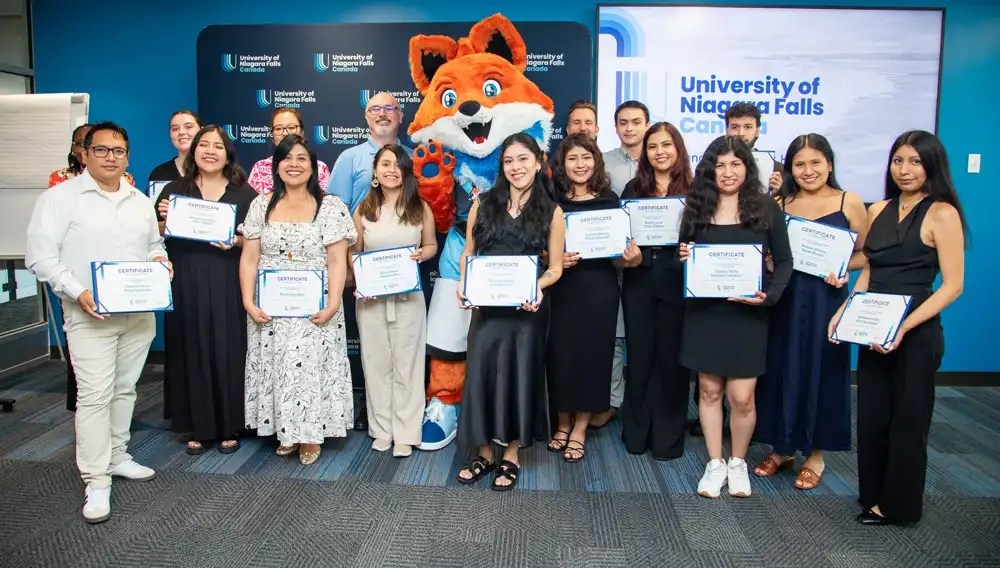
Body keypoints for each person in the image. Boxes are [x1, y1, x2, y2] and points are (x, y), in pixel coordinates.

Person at [26, 121, 169, 523]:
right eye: (102, 150)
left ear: (127, 155)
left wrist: (161, 265)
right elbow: (40, 257)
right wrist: (78, 291)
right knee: (94, 395)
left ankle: (119, 455)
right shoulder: (60, 199)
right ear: (83, 153)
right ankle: (96, 479)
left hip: (138, 314)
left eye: (118, 151)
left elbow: (154, 246)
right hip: (89, 314)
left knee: (125, 390)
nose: (111, 157)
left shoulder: (139, 200)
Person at [828, 130, 966, 526]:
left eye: (915, 162)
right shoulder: (879, 210)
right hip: (874, 327)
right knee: (873, 417)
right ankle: (873, 496)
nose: (905, 170)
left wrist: (903, 327)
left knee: (908, 420)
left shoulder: (942, 213)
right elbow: (870, 268)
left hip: (916, 330)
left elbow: (953, 285)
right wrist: (847, 312)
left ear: (932, 166)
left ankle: (900, 506)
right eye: (898, 161)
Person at [678, 135, 793, 499]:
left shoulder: (765, 208)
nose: (727, 172)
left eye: (735, 164)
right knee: (709, 391)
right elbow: (684, 256)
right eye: (719, 165)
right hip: (705, 314)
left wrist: (768, 296)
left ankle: (738, 461)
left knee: (742, 397)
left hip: (747, 316)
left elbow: (785, 261)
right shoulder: (695, 208)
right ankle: (715, 462)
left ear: (748, 167)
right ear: (709, 169)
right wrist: (685, 258)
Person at [753, 134, 868, 489]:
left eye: (815, 162)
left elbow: (867, 254)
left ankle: (816, 454)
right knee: (781, 368)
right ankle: (782, 447)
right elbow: (768, 252)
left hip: (827, 300)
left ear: (829, 164)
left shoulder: (850, 203)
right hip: (786, 298)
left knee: (823, 371)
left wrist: (845, 269)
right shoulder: (780, 202)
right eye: (799, 164)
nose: (808, 170)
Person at [454, 133, 565, 491]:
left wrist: (537, 288)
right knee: (482, 373)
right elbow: (468, 253)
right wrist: (464, 283)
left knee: (521, 375)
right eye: (508, 161)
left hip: (526, 310)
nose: (516, 167)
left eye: (523, 159)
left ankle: (512, 454)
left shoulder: (552, 211)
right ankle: (485, 452)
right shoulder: (483, 203)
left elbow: (555, 269)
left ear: (538, 161)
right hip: (487, 309)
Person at [240, 134, 357, 465]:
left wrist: (334, 303)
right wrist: (249, 301)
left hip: (316, 307)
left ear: (314, 166)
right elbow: (249, 258)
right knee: (278, 368)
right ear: (276, 166)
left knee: (309, 369)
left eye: (302, 158)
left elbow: (337, 260)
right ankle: (286, 430)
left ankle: (310, 434)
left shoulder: (330, 206)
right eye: (287, 158)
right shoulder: (261, 205)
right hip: (271, 308)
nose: (294, 164)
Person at [154, 125, 257, 455]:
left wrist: (235, 241)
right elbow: (152, 233)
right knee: (191, 347)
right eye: (204, 145)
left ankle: (230, 424)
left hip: (228, 278)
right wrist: (163, 219)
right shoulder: (173, 190)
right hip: (186, 278)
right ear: (194, 151)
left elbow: (256, 242)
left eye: (218, 146)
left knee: (229, 349)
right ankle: (197, 424)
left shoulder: (246, 194)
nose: (211, 151)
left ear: (228, 154)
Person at [545, 133, 629, 463]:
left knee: (593, 358)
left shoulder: (610, 200)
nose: (580, 164)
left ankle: (580, 428)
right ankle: (563, 423)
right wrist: (554, 258)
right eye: (573, 158)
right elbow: (539, 246)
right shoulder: (552, 199)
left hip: (599, 291)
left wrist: (626, 254)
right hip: (562, 289)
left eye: (586, 157)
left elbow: (620, 257)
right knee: (561, 356)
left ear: (595, 161)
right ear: (562, 164)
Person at [351, 144, 437, 458]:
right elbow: (353, 254)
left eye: (397, 165)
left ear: (406, 171)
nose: (391, 170)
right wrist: (361, 280)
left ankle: (406, 431)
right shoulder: (363, 209)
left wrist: (420, 255)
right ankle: (382, 429)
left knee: (408, 365)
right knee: (376, 365)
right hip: (372, 300)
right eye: (384, 164)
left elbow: (430, 246)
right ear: (375, 171)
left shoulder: (420, 207)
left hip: (408, 298)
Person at [618, 122, 693, 460]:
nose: (660, 151)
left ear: (678, 148)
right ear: (645, 153)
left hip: (678, 283)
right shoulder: (634, 188)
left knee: (672, 361)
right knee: (641, 357)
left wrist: (691, 251)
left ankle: (667, 437)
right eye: (652, 146)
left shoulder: (695, 190)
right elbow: (618, 243)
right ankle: (637, 433)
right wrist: (627, 256)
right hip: (639, 281)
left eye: (666, 144)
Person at [594, 99, 650, 429]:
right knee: (615, 335)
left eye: (636, 122)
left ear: (646, 124)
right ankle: (613, 401)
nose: (629, 128)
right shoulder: (602, 163)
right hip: (612, 260)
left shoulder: (660, 159)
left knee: (644, 336)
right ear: (615, 127)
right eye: (623, 122)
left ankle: (643, 402)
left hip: (653, 261)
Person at [329, 92, 412, 213]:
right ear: (367, 118)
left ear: (400, 116)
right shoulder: (348, 158)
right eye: (375, 109)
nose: (382, 114)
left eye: (389, 108)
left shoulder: (415, 158)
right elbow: (335, 214)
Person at [247, 107, 331, 194]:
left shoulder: (320, 169)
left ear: (302, 132)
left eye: (291, 127)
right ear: (272, 135)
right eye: (278, 129)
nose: (285, 133)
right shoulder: (260, 169)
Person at [48, 124, 137, 189]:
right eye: (81, 144)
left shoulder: (125, 178)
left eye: (101, 149)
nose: (84, 150)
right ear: (73, 148)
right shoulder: (60, 177)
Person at [724, 103, 783, 194]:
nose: (741, 133)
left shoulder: (777, 169)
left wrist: (778, 194)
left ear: (757, 131)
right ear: (727, 130)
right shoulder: (713, 164)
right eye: (735, 127)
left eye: (748, 127)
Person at [147, 110, 203, 192]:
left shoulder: (212, 170)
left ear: (202, 131)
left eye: (188, 127)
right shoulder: (160, 173)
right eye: (175, 129)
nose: (181, 132)